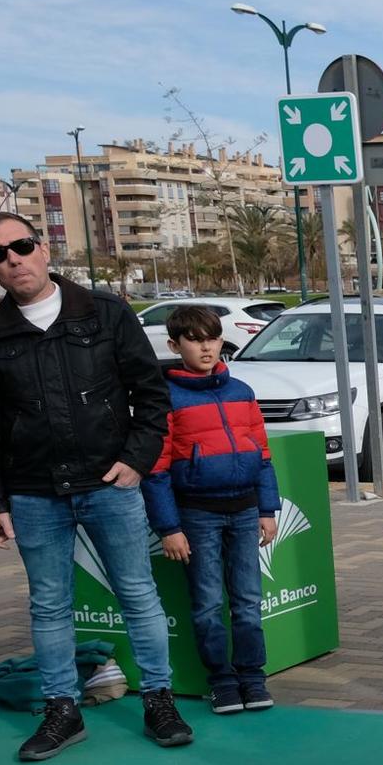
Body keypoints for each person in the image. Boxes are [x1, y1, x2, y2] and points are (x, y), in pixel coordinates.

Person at [0, 212, 190, 759]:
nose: (12, 259)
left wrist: (136, 460)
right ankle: (62, 708)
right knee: (49, 604)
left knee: (138, 594)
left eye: (20, 245)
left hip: (109, 484)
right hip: (33, 492)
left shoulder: (106, 314)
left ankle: (159, 698)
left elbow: (151, 397)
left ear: (42, 248)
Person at [142, 304, 281, 716]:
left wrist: (267, 508)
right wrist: (169, 526)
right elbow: (157, 471)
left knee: (248, 599)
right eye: (195, 339)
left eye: (212, 338)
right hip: (196, 515)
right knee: (205, 602)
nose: (206, 347)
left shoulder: (242, 392)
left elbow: (263, 455)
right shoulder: (167, 398)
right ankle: (221, 680)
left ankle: (253, 677)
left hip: (244, 511)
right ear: (174, 344)